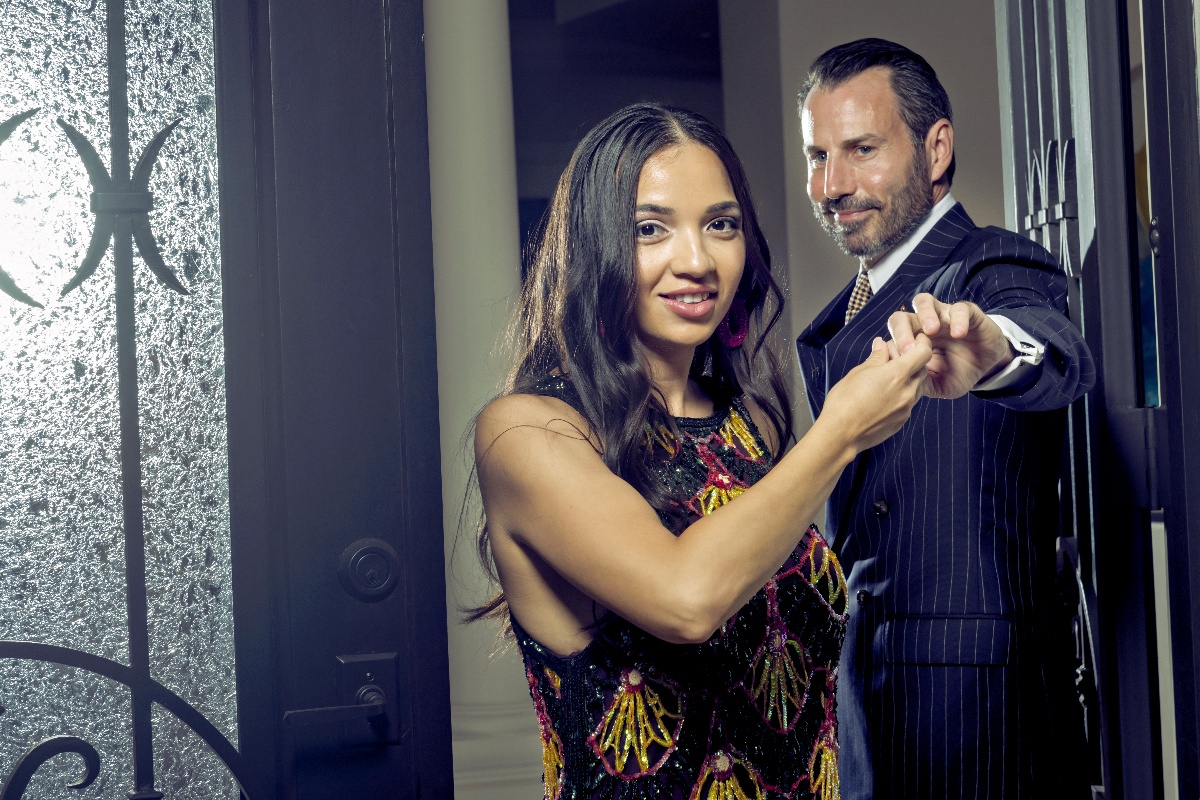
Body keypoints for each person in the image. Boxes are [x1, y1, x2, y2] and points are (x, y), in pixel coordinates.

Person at [469, 102, 931, 799]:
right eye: (650, 229)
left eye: (721, 225)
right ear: (594, 246)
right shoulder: (528, 433)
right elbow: (685, 599)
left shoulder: (751, 427)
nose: (696, 260)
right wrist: (839, 431)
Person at [795, 38, 1097, 799]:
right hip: (872, 700)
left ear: (935, 149)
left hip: (975, 716)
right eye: (817, 155)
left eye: (861, 149)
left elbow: (1051, 350)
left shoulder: (992, 266)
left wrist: (993, 350)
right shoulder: (841, 317)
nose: (832, 184)